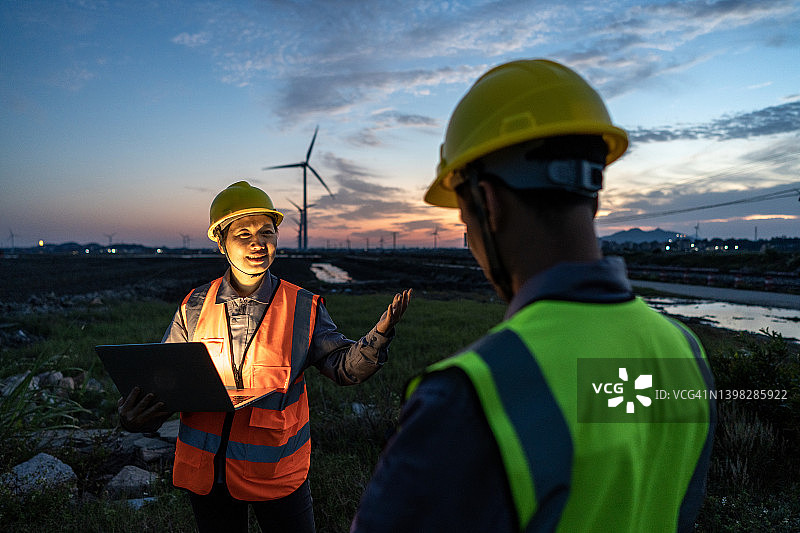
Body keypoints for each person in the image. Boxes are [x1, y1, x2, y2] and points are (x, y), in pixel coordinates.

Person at [351, 59, 715, 532]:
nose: (471, 242)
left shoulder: (474, 395)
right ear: (594, 197)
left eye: (464, 220)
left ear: (490, 203)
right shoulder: (684, 353)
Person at [118, 180, 411, 533]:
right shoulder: (193, 306)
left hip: (277, 474)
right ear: (220, 243)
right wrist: (138, 417)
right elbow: (166, 383)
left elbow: (343, 369)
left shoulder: (303, 306)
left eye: (266, 232)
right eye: (243, 234)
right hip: (209, 476)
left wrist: (377, 337)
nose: (258, 242)